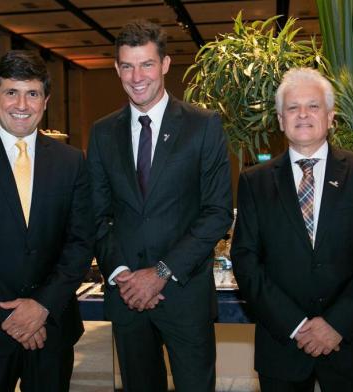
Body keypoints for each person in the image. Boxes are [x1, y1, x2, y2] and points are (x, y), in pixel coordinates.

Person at [87, 20, 232, 392]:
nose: (137, 76)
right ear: (117, 69)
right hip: (127, 298)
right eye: (127, 66)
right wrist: (121, 272)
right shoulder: (103, 133)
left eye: (146, 64)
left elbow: (217, 211)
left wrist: (162, 272)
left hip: (184, 298)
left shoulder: (203, 126)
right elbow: (96, 214)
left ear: (165, 64)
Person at [0, 50, 94, 391]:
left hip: (51, 329)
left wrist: (41, 306)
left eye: (33, 93)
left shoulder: (72, 162)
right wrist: (8, 315)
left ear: (46, 100)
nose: (22, 103)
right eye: (11, 91)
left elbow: (81, 242)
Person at [231, 67, 353, 391]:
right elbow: (246, 263)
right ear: (280, 119)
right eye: (292, 107)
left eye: (313, 106)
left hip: (351, 342)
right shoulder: (253, 182)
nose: (303, 114)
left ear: (331, 117)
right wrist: (298, 325)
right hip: (282, 344)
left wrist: (336, 324)